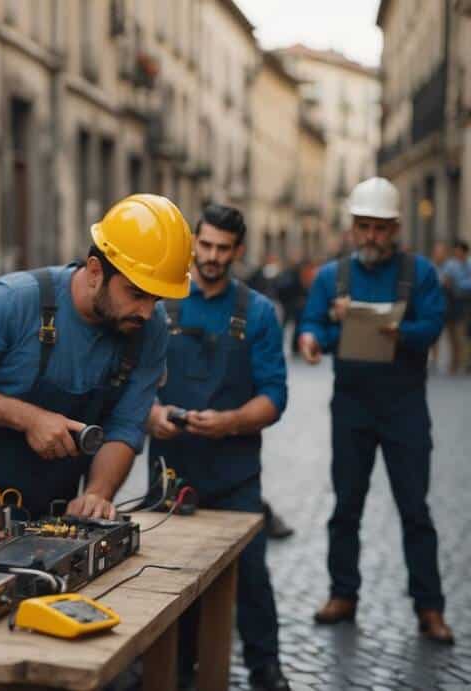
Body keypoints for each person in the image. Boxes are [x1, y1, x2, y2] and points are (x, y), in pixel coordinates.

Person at [0, 194, 191, 519]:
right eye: (136, 294)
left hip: (46, 510)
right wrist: (29, 418)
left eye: (156, 298)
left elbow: (126, 424)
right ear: (94, 271)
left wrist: (96, 494)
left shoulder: (150, 327)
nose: (147, 311)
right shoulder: (13, 301)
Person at [299, 177, 453, 644]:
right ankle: (342, 593)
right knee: (346, 505)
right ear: (351, 226)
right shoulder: (332, 277)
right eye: (363, 227)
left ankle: (429, 607)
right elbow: (313, 326)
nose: (370, 237)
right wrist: (310, 340)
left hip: (404, 404)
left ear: (396, 228)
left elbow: (433, 324)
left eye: (380, 228)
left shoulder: (419, 272)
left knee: (415, 509)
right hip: (352, 405)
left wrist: (394, 329)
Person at [145, 204, 290, 691]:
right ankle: (178, 667)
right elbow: (131, 382)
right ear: (192, 244)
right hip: (171, 471)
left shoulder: (259, 313)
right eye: (204, 245)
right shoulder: (160, 305)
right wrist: (151, 415)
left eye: (222, 249)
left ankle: (265, 666)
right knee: (170, 577)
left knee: (250, 575)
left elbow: (274, 397)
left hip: (235, 474)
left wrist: (230, 422)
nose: (211, 256)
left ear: (238, 251)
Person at [439, 240, 471, 373]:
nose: (457, 253)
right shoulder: (450, 265)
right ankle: (455, 363)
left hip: (466, 303)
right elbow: (445, 281)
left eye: (459, 250)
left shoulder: (469, 264)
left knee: (462, 334)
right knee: (452, 335)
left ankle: (463, 362)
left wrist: (459, 285)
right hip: (452, 303)